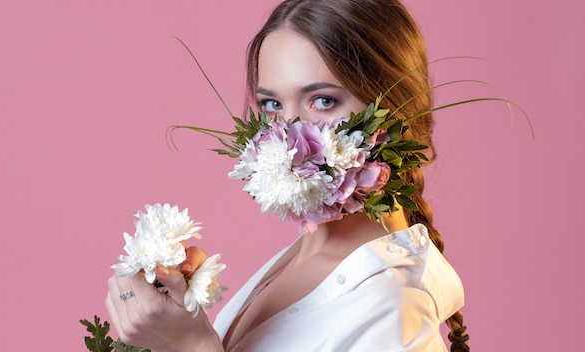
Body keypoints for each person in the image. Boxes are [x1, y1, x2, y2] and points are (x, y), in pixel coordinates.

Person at [105, 0, 470, 351]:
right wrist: (168, 323)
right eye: (272, 105)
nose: (288, 140)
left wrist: (192, 346)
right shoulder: (304, 254)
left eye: (324, 100)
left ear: (394, 114)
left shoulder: (396, 311)